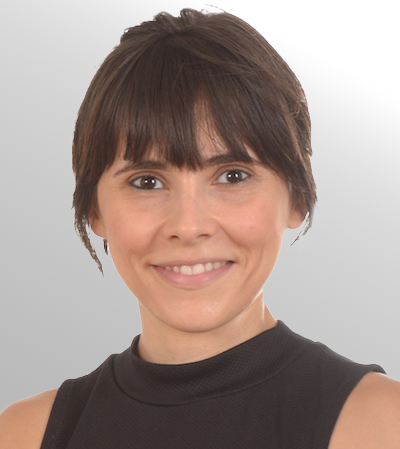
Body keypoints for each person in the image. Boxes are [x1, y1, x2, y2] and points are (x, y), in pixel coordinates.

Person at [1, 8, 399, 449]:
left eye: (232, 176)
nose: (188, 226)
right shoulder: (24, 435)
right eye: (147, 182)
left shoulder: (381, 426)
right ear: (94, 208)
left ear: (298, 197)